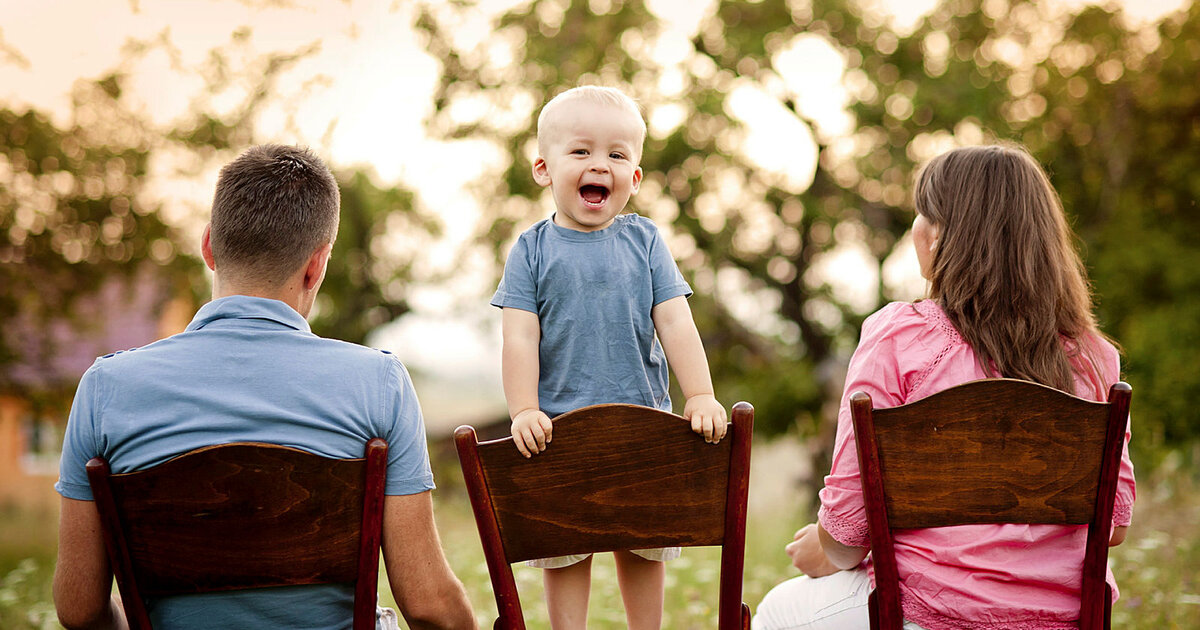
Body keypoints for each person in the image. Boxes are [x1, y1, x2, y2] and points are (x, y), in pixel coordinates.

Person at [53, 144, 477, 630]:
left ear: (209, 246)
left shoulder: (105, 388)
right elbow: (427, 604)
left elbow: (78, 608)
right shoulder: (380, 384)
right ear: (316, 266)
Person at [753, 144, 1136, 630]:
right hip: (1063, 616)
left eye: (921, 213)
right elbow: (1117, 524)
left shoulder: (900, 338)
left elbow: (849, 530)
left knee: (777, 611)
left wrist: (826, 551)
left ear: (940, 236)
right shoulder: (1094, 356)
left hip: (929, 609)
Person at [490, 85, 727, 630]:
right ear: (545, 169)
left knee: (642, 545)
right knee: (565, 547)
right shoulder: (531, 249)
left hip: (642, 424)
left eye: (617, 155)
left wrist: (701, 394)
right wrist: (524, 409)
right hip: (560, 428)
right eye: (582, 151)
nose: (601, 164)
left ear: (635, 178)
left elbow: (675, 322)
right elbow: (520, 337)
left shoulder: (645, 241)